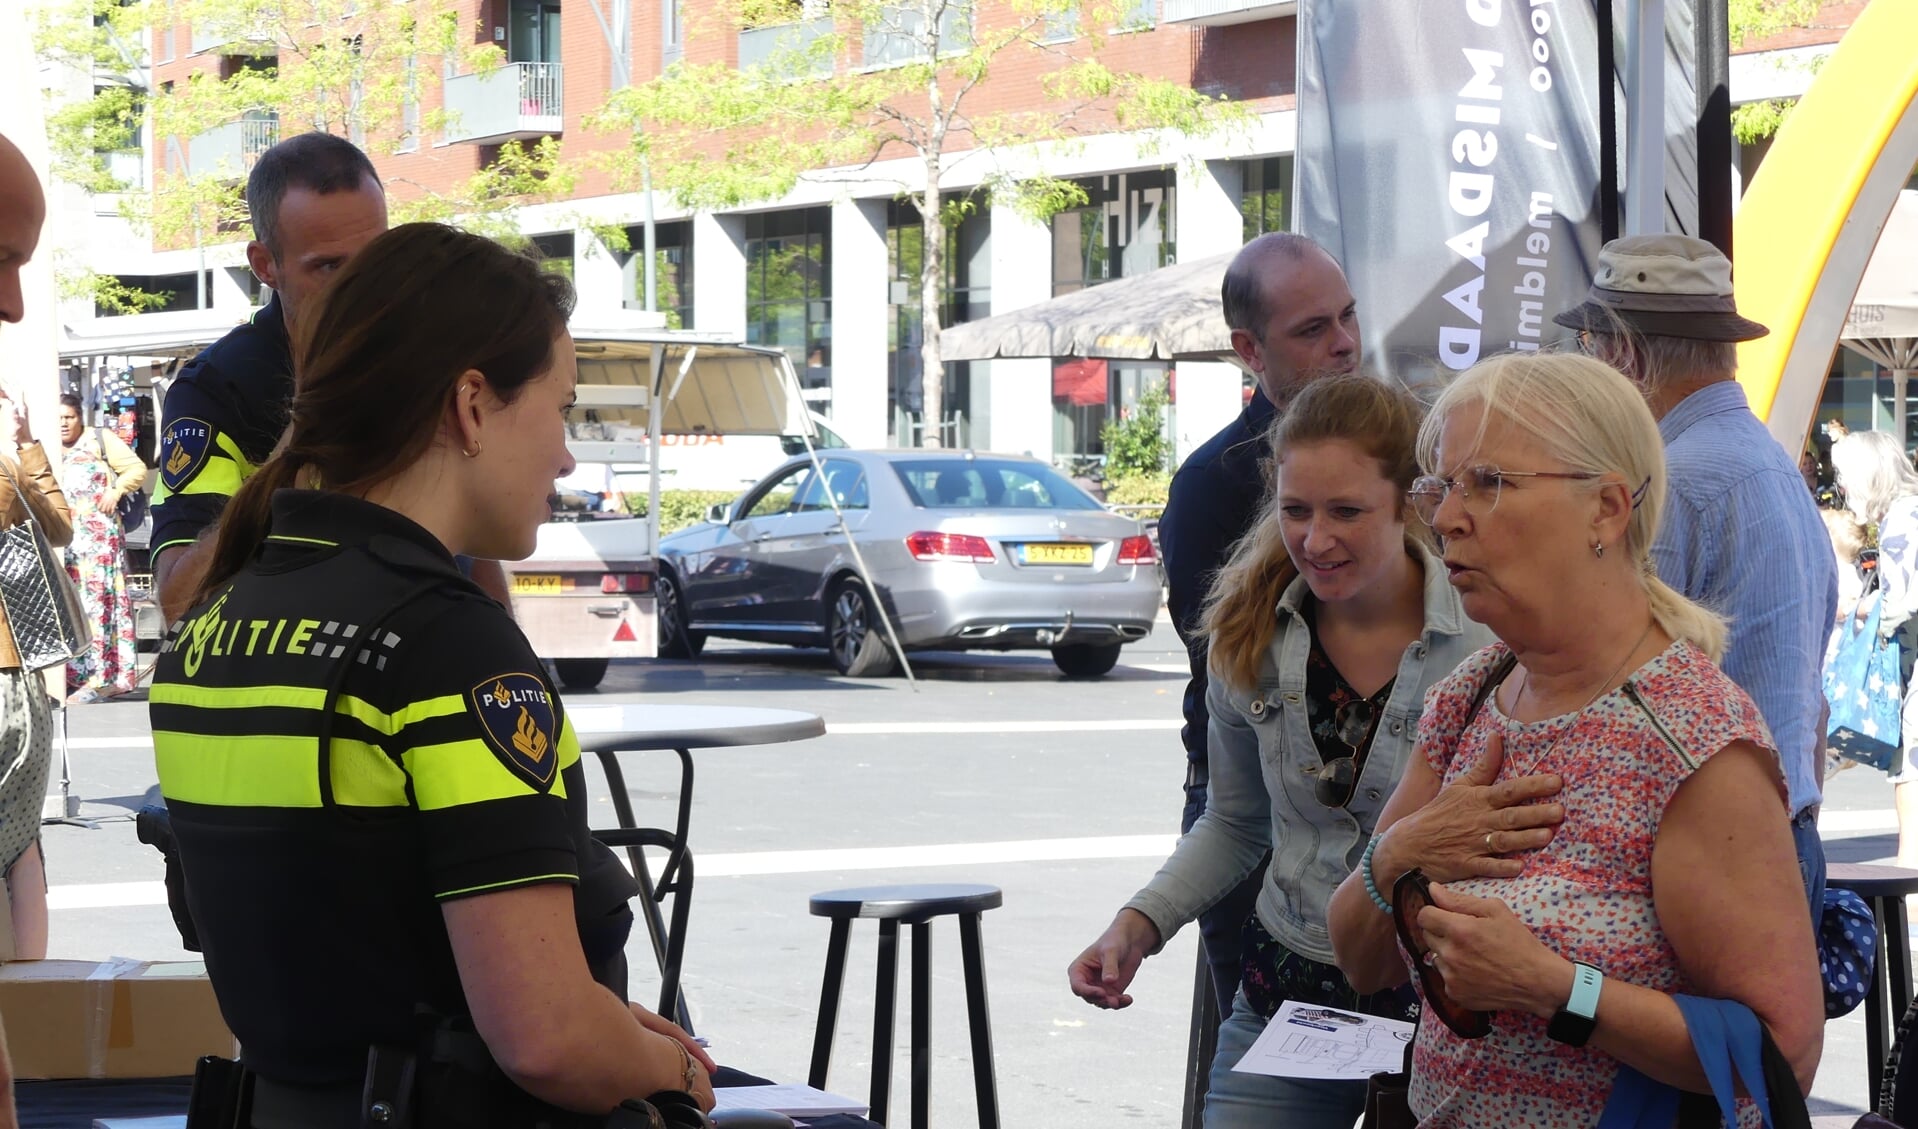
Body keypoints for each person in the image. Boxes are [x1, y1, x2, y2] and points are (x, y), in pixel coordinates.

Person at [150, 223, 712, 1126]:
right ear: (472, 404)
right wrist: (675, 1071)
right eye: (561, 407)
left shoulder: (214, 620)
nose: (567, 456)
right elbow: (545, 1036)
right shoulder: (445, 646)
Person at [1327, 352, 1822, 1127]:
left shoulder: (1690, 737)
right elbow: (1360, 959)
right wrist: (1396, 855)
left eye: (1487, 481)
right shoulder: (1475, 692)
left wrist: (1556, 987)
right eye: (1441, 487)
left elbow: (1781, 1053)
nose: (1448, 517)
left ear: (1608, 509)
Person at [1069, 374, 1494, 1127]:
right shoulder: (1248, 632)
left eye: (1346, 511)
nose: (1315, 538)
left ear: (1413, 504)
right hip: (1287, 1000)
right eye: (1296, 510)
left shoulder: (1488, 639)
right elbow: (1235, 822)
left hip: (1445, 1007)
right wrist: (1139, 923)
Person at [1558, 234, 1838, 922]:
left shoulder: (1677, 478)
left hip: (1718, 845)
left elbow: (1615, 683)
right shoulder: (1769, 462)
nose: (1591, 367)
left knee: (1689, 1032)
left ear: (1624, 351)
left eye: (1592, 347)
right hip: (1778, 829)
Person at [150, 132, 511, 622]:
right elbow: (179, 599)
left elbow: (475, 546)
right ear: (265, 265)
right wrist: (301, 439)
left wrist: (512, 660)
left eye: (375, 257)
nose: (361, 285)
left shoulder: (430, 349)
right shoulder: (219, 388)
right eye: (328, 266)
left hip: (434, 655)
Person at [1157, 232, 1362, 1018]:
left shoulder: (1398, 451)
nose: (1344, 343)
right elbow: (1234, 671)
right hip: (1258, 806)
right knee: (1269, 1059)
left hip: (1380, 804)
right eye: (1313, 330)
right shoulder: (1212, 486)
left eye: (1347, 317)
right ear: (1250, 350)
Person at [0, 134, 74, 984]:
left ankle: (32, 995)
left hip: (23, 658)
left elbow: (52, 526)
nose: (16, 306)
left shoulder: (17, 447)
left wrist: (24, 450)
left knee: (22, 837)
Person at [1830, 429, 1918, 861]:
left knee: (1913, 770)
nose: (1841, 486)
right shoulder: (1909, 513)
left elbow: (1900, 605)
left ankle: (1912, 872)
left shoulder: (1900, 521)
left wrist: (1853, 610)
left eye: (1845, 476)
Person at [55, 393, 146, 704]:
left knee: (97, 608)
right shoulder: (46, 447)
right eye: (59, 418)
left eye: (68, 416)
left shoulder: (98, 439)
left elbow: (136, 469)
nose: (63, 423)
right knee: (67, 610)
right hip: (62, 543)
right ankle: (69, 677)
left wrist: (116, 490)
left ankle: (97, 679)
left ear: (79, 417)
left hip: (98, 544)